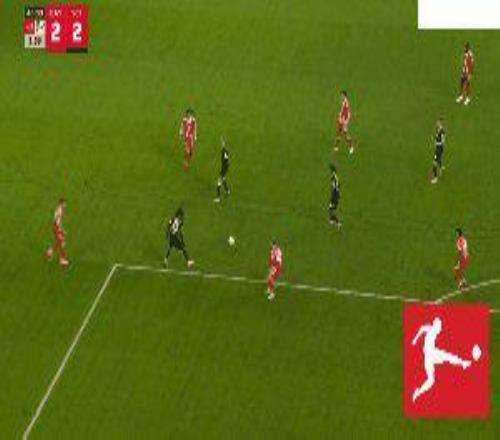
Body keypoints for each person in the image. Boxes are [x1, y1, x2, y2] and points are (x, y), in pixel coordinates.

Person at [412, 317, 471, 403]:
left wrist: (416, 339)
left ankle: (417, 392)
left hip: (429, 357)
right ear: (435, 325)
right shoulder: (431, 329)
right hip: (431, 353)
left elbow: (422, 329)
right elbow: (422, 328)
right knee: (447, 357)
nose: (440, 328)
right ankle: (463, 363)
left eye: (440, 326)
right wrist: (415, 339)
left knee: (431, 379)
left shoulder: (433, 331)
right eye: (439, 326)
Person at [46, 198, 69, 267]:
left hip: (55, 227)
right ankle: (62, 260)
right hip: (56, 228)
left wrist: (62, 229)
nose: (65, 205)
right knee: (62, 243)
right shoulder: (60, 210)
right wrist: (61, 230)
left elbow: (57, 220)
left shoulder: (59, 209)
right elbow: (57, 221)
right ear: (61, 203)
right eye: (64, 203)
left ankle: (50, 251)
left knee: (59, 241)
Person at [334, 90, 355, 155]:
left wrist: (343, 121)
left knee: (345, 134)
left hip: (344, 120)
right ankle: (336, 146)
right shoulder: (343, 102)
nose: (341, 96)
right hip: (341, 119)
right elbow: (342, 111)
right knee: (339, 132)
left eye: (342, 95)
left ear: (345, 96)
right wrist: (339, 117)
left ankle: (351, 147)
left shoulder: (345, 103)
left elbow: (346, 113)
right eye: (341, 95)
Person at [214, 137, 230, 203]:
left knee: (218, 183)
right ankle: (227, 191)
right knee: (223, 179)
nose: (221, 145)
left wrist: (224, 169)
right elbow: (227, 161)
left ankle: (218, 198)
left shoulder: (224, 151)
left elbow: (226, 160)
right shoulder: (225, 150)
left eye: (222, 143)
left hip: (224, 169)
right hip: (224, 168)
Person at [431, 118, 445, 184]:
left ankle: (435, 178)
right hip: (438, 147)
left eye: (438, 122)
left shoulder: (442, 131)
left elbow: (443, 141)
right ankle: (441, 167)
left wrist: (436, 140)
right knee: (439, 159)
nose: (436, 123)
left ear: (441, 123)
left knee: (434, 163)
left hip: (439, 148)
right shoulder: (437, 129)